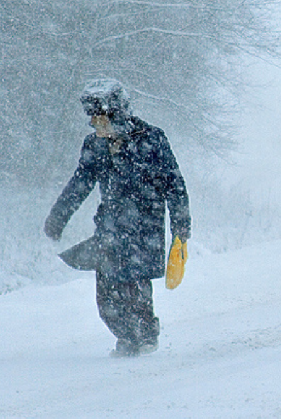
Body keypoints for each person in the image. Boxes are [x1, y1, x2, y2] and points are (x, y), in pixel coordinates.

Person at [44, 78, 191, 357]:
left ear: (118, 114)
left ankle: (145, 337)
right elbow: (80, 183)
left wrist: (181, 226)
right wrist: (58, 217)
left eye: (102, 119)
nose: (97, 126)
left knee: (134, 289)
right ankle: (126, 338)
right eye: (93, 120)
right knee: (107, 297)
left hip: (144, 229)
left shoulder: (152, 139)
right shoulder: (94, 146)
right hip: (109, 230)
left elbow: (175, 184)